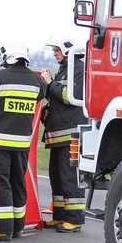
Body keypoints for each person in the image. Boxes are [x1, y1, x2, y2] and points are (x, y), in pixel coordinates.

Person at [0, 45, 45, 241]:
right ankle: (18, 227)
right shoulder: (37, 82)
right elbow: (42, 94)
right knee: (18, 183)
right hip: (22, 144)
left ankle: (4, 229)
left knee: (1, 183)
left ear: (7, 59)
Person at [40, 39, 90, 231]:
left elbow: (70, 96)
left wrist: (50, 83)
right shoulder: (65, 69)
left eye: (57, 49)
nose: (54, 53)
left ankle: (75, 219)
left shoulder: (78, 69)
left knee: (69, 176)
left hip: (70, 134)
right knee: (57, 176)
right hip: (57, 133)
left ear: (68, 49)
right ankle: (60, 216)